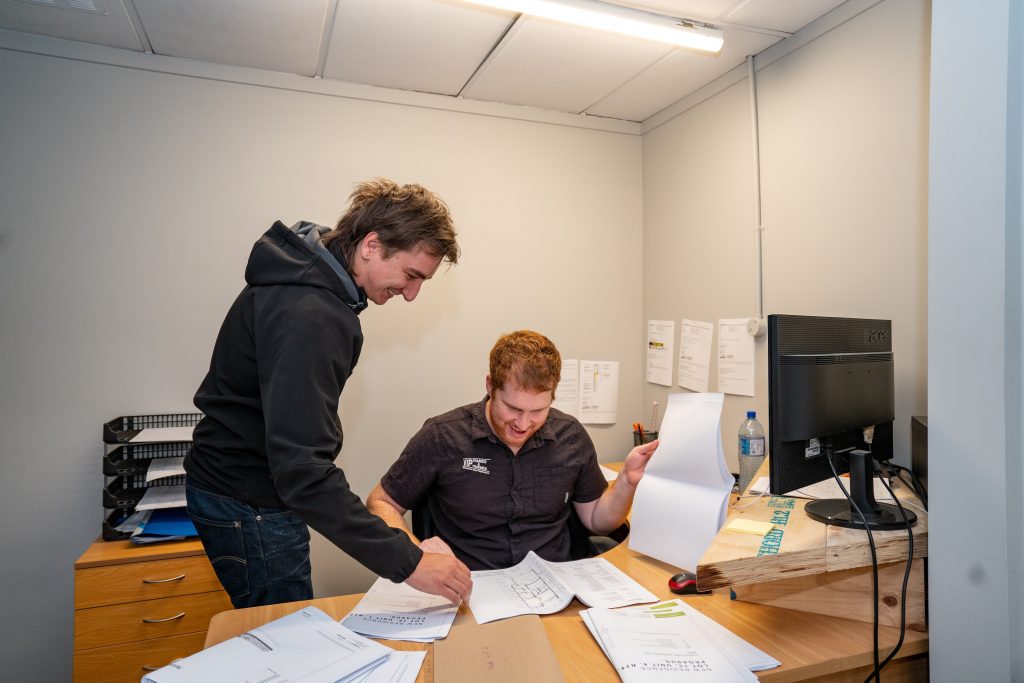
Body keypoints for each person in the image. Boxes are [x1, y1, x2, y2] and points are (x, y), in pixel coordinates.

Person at [185, 178, 472, 608]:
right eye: (411, 276)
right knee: (286, 638)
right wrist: (409, 561)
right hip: (249, 500)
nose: (411, 294)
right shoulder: (313, 315)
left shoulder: (304, 274)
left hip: (238, 487)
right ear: (371, 245)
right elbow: (303, 471)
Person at [366, 330, 659, 570]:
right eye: (513, 408)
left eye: (538, 411)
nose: (523, 423)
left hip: (555, 587)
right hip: (469, 588)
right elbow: (381, 502)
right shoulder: (443, 436)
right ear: (490, 386)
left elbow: (598, 520)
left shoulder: (570, 436)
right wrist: (417, 555)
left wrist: (627, 482)